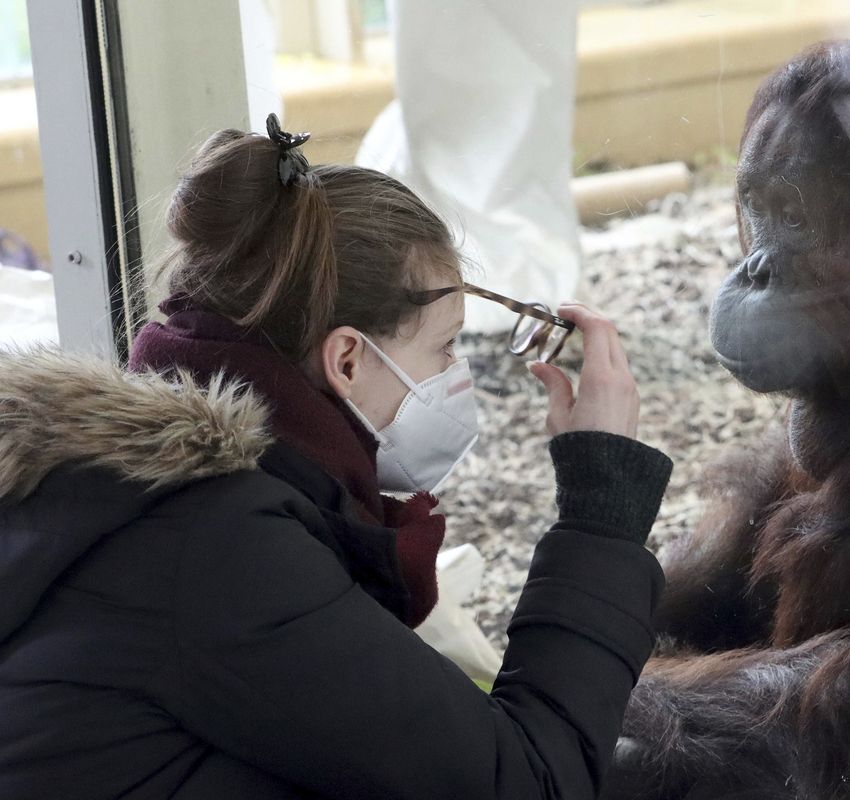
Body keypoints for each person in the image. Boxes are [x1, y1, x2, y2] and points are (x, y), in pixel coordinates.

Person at [0, 116, 672, 799]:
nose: (455, 374)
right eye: (443, 348)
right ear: (347, 359)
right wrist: (599, 510)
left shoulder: (145, 490)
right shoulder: (221, 547)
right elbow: (529, 782)